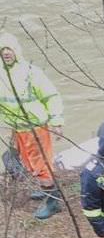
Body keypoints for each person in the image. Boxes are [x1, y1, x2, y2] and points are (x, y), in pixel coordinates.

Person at [0, 32, 64, 219]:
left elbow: (51, 95)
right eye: (2, 49)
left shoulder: (30, 72)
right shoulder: (1, 74)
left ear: (16, 51)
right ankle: (47, 191)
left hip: (36, 127)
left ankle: (53, 203)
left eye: (8, 49)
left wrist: (56, 121)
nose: (5, 53)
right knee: (29, 163)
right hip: (17, 127)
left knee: (41, 164)